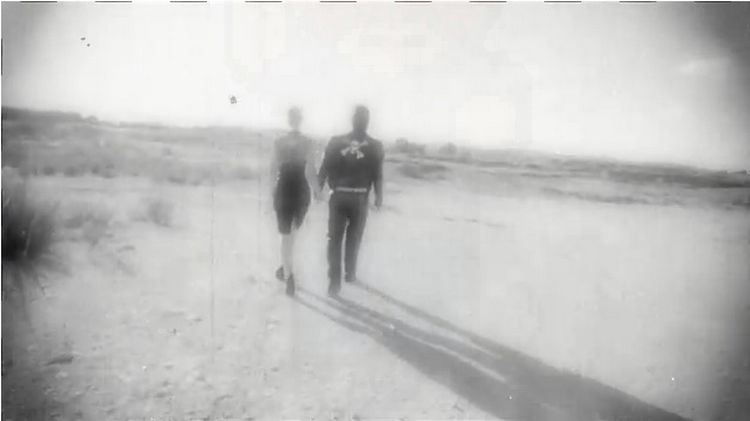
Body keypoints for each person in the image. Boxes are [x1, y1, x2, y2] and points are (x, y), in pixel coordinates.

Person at [318, 105, 384, 296]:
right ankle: (350, 273)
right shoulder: (375, 145)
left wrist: (318, 188)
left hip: (338, 196)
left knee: (334, 239)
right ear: (367, 121)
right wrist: (378, 196)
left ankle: (334, 282)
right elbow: (377, 174)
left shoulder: (336, 141)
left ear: (352, 120)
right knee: (354, 238)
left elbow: (325, 167)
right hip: (359, 197)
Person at [270, 107, 320, 296]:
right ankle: (286, 269)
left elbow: (273, 169)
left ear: (289, 120)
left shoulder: (278, 142)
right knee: (292, 234)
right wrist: (317, 191)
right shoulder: (308, 142)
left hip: (283, 189)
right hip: (300, 190)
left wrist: (272, 192)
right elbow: (311, 170)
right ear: (300, 120)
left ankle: (287, 273)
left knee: (285, 236)